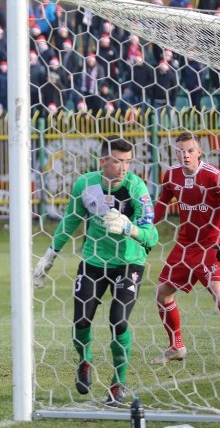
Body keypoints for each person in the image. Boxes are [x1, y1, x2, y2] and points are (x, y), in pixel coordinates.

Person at [32, 137, 159, 406]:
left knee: (118, 321)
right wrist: (49, 256)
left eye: (128, 161)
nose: (124, 167)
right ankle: (84, 361)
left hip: (128, 262)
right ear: (103, 161)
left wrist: (129, 228)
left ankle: (118, 383)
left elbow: (152, 235)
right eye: (118, 161)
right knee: (81, 321)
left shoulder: (137, 189)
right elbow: (69, 221)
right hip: (93, 262)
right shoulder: (85, 185)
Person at [151, 132, 220, 370]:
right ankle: (177, 346)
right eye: (181, 150)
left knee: (218, 291)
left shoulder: (214, 176)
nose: (185, 155)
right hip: (184, 245)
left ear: (199, 152)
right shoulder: (171, 176)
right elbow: (162, 205)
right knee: (162, 293)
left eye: (190, 150)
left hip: (211, 244)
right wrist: (143, 228)